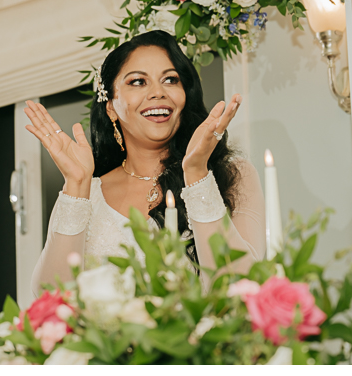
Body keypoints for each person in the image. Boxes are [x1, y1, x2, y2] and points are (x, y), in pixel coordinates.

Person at [24, 30, 265, 295]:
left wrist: (197, 176)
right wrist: (77, 185)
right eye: (138, 82)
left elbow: (244, 290)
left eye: (170, 80)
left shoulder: (231, 174)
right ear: (111, 106)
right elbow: (49, 298)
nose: (158, 92)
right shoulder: (84, 192)